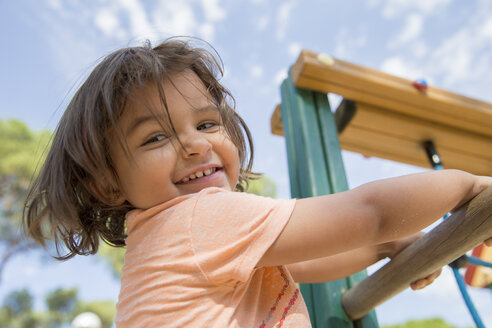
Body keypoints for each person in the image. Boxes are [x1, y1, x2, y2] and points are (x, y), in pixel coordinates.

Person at [23, 38, 492, 328]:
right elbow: (368, 213)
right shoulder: (197, 219)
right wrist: (469, 183)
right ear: (108, 185)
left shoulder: (179, 243)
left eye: (207, 124)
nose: (194, 145)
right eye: (155, 137)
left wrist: (385, 249)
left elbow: (310, 261)